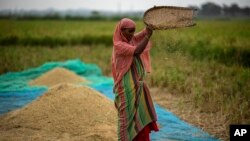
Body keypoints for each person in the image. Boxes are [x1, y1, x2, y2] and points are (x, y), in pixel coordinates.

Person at [111, 18, 159, 141]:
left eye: (134, 31)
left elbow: (139, 36)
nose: (132, 34)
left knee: (138, 114)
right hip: (125, 86)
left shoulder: (130, 39)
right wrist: (148, 36)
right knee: (125, 118)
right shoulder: (119, 45)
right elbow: (137, 51)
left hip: (137, 84)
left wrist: (147, 30)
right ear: (121, 31)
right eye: (130, 31)